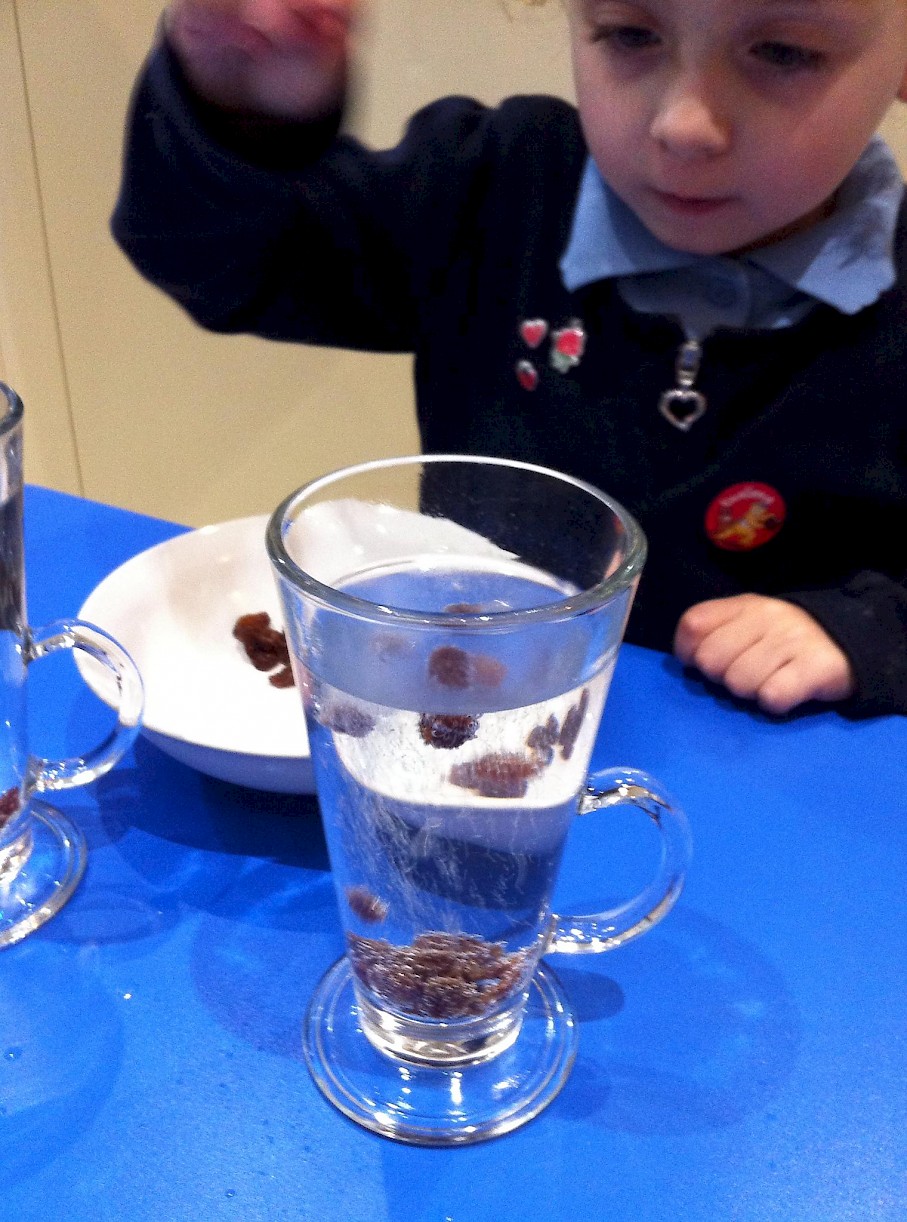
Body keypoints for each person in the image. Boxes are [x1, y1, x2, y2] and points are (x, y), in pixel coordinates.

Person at [113, 0, 907, 718]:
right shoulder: (494, 187)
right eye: (630, 35)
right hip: (468, 743)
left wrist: (863, 634)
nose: (684, 125)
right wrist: (238, 107)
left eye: (784, 53)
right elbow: (222, 264)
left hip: (767, 797)